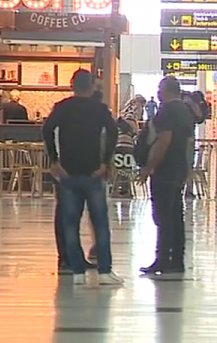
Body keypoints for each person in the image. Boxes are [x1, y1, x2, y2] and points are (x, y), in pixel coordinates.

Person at [43, 69, 121, 286]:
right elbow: (113, 131)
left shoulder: (63, 108)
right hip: (93, 172)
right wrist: (105, 161)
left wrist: (54, 159)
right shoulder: (100, 109)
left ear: (72, 85)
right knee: (100, 223)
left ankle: (77, 271)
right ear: (92, 86)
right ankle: (104, 271)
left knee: (70, 223)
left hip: (68, 173)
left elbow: (47, 129)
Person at [137, 76, 194, 274]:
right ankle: (176, 259)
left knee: (162, 215)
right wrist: (187, 168)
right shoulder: (185, 111)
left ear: (167, 90)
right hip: (178, 167)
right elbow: (188, 141)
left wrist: (149, 167)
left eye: (160, 89)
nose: (158, 92)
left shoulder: (167, 111)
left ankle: (162, 259)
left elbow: (163, 140)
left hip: (165, 169)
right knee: (176, 214)